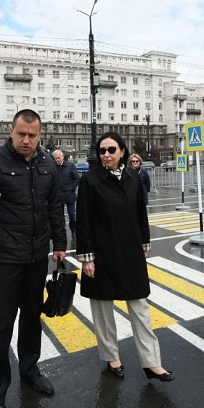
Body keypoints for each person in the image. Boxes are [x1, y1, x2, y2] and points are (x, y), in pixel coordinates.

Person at [0, 109, 67, 408]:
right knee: (0, 325)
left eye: (32, 135)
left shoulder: (47, 163)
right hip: (4, 257)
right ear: (11, 131)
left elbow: (54, 206)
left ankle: (30, 370)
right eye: (21, 133)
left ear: (40, 135)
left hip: (37, 256)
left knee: (32, 317)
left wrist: (60, 245)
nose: (26, 140)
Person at [76, 132, 174, 382]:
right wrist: (87, 258)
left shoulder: (133, 176)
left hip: (130, 252)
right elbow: (83, 220)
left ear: (122, 151)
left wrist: (144, 244)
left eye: (111, 150)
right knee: (103, 309)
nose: (105, 155)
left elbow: (141, 213)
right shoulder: (90, 179)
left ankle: (152, 363)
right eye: (102, 151)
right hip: (101, 254)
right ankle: (112, 357)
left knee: (140, 307)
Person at [52, 149, 81, 243]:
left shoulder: (70, 165)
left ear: (62, 157)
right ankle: (62, 233)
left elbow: (77, 178)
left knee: (72, 215)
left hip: (69, 194)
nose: (57, 160)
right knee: (60, 217)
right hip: (58, 196)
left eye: (58, 158)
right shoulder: (53, 167)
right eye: (55, 158)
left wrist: (72, 187)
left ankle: (74, 231)